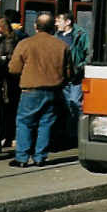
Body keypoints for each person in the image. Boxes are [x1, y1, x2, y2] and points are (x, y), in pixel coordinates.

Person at [8, 13, 72, 168]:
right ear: (53, 27)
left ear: (35, 27)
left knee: (24, 122)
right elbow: (69, 72)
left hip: (31, 90)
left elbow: (14, 69)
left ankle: (22, 158)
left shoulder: (25, 44)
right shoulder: (62, 46)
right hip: (54, 90)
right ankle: (40, 157)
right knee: (46, 123)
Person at [55, 11, 90, 147]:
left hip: (75, 77)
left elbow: (88, 54)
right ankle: (69, 134)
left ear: (68, 22)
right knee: (65, 105)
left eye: (59, 20)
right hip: (61, 78)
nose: (56, 23)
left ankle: (78, 133)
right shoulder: (55, 36)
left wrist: (80, 67)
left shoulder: (80, 35)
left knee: (75, 103)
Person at [0, 17, 22, 151]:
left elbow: (6, 58)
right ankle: (8, 137)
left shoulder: (7, 40)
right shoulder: (6, 38)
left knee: (3, 109)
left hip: (6, 79)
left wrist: (0, 60)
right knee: (9, 109)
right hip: (10, 80)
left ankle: (2, 138)